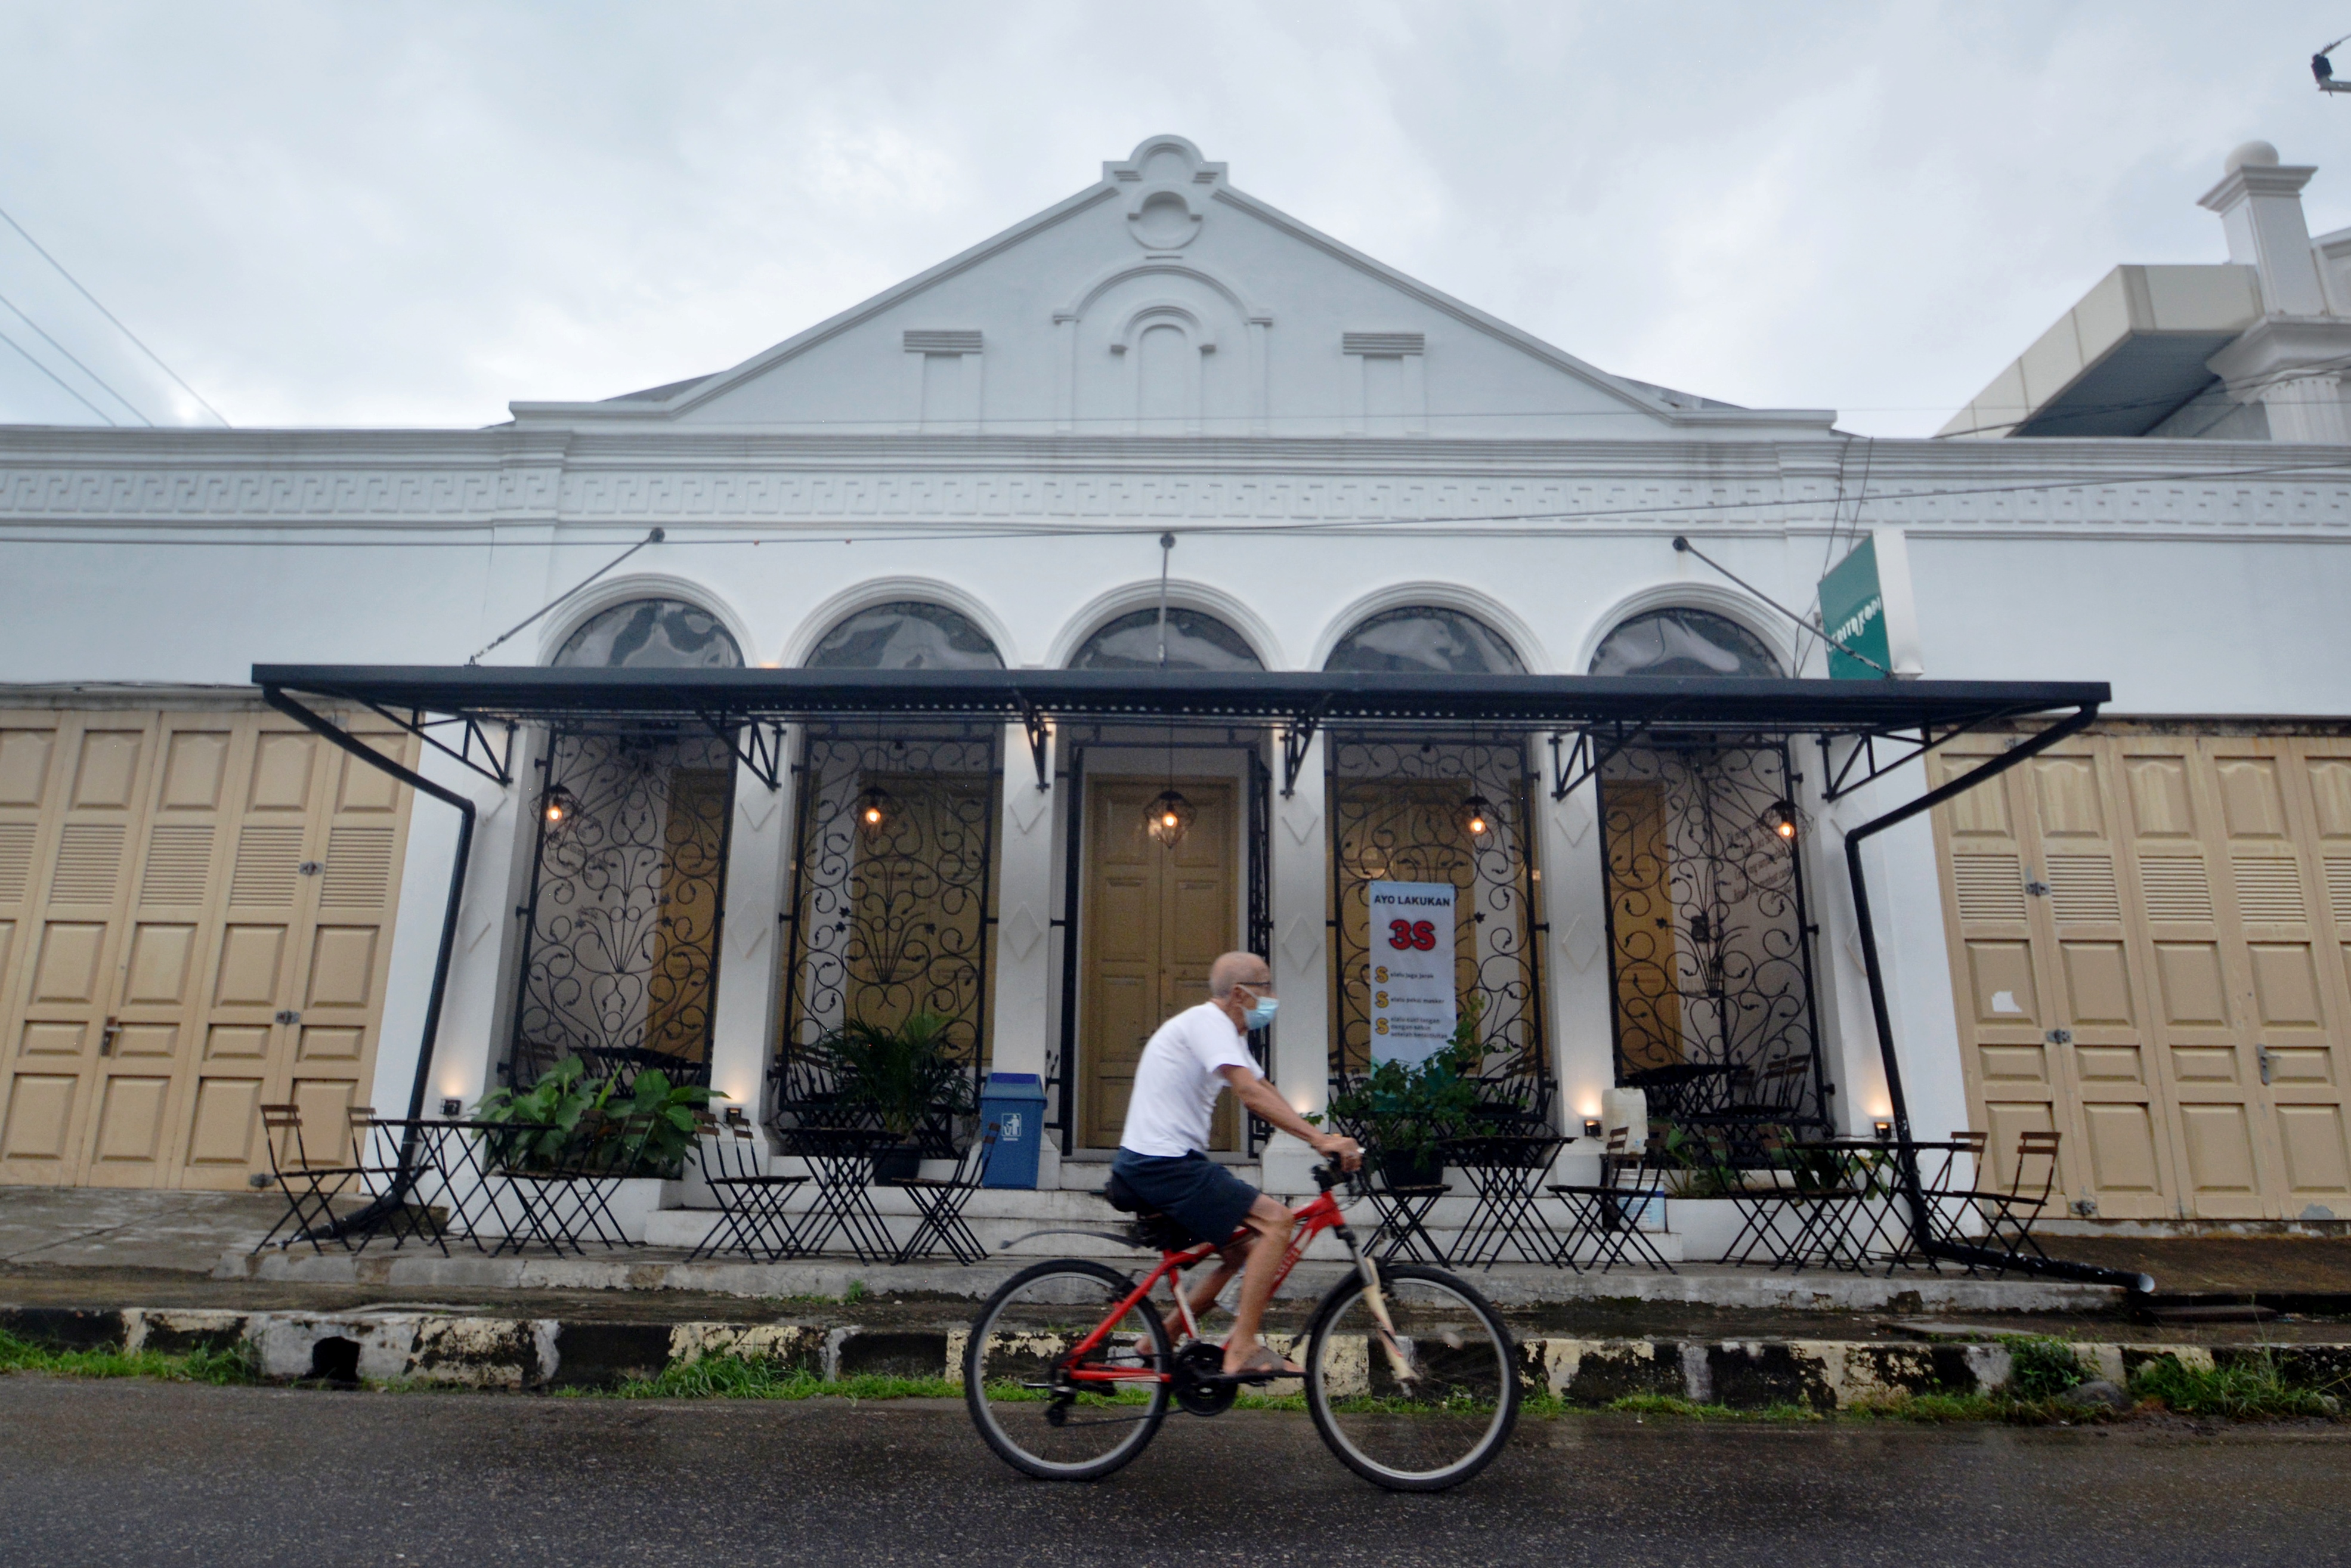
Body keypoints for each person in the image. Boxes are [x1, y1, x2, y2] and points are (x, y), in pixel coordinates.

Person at [1110, 950, 1362, 1377]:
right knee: (1278, 1222)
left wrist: (1321, 1137)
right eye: (1266, 987)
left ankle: (1160, 1338)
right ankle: (1242, 1347)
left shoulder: (1226, 1031)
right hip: (1161, 1165)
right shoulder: (1209, 1024)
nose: (1273, 997)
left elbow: (1263, 1084)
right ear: (1241, 994)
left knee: (1242, 1251)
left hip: (1169, 1163)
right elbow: (1249, 1092)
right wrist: (1319, 1140)